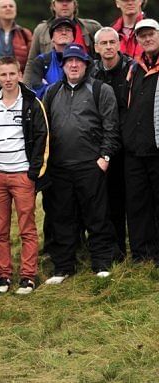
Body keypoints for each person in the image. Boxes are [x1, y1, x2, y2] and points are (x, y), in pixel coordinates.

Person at [42, 44, 120, 284]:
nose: (73, 65)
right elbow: (44, 131)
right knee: (62, 218)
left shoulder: (100, 89)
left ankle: (102, 262)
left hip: (91, 165)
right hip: (60, 168)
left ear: (86, 64)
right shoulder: (52, 92)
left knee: (97, 216)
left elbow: (111, 126)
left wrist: (104, 158)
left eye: (78, 61)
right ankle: (63, 267)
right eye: (69, 61)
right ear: (63, 65)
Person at [0, 56, 48, 294]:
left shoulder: (32, 102)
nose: (8, 79)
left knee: (27, 228)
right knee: (0, 229)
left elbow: (42, 137)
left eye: (12, 74)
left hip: (21, 174)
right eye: (3, 75)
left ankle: (28, 276)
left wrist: (33, 172)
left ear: (20, 75)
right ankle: (3, 276)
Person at [91, 27, 134, 257]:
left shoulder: (131, 69)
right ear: (96, 48)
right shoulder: (93, 72)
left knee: (132, 199)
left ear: (119, 45)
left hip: (129, 144)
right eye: (103, 43)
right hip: (104, 145)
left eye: (112, 42)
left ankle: (140, 249)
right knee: (108, 199)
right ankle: (114, 248)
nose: (108, 47)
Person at [121, 19, 159, 263]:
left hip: (157, 147)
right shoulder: (134, 68)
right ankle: (141, 254)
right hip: (133, 148)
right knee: (137, 204)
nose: (147, 39)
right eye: (142, 36)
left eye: (151, 34)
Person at [22, 0, 101, 84]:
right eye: (60, 1)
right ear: (53, 5)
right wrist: (25, 90)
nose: (64, 4)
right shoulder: (41, 30)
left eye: (68, 1)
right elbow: (31, 62)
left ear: (74, 4)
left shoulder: (92, 27)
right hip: (50, 88)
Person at [26, 17, 76, 99]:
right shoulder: (41, 61)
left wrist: (49, 87)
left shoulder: (84, 60)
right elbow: (37, 91)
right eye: (59, 30)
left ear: (73, 37)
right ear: (52, 38)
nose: (64, 32)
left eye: (68, 30)